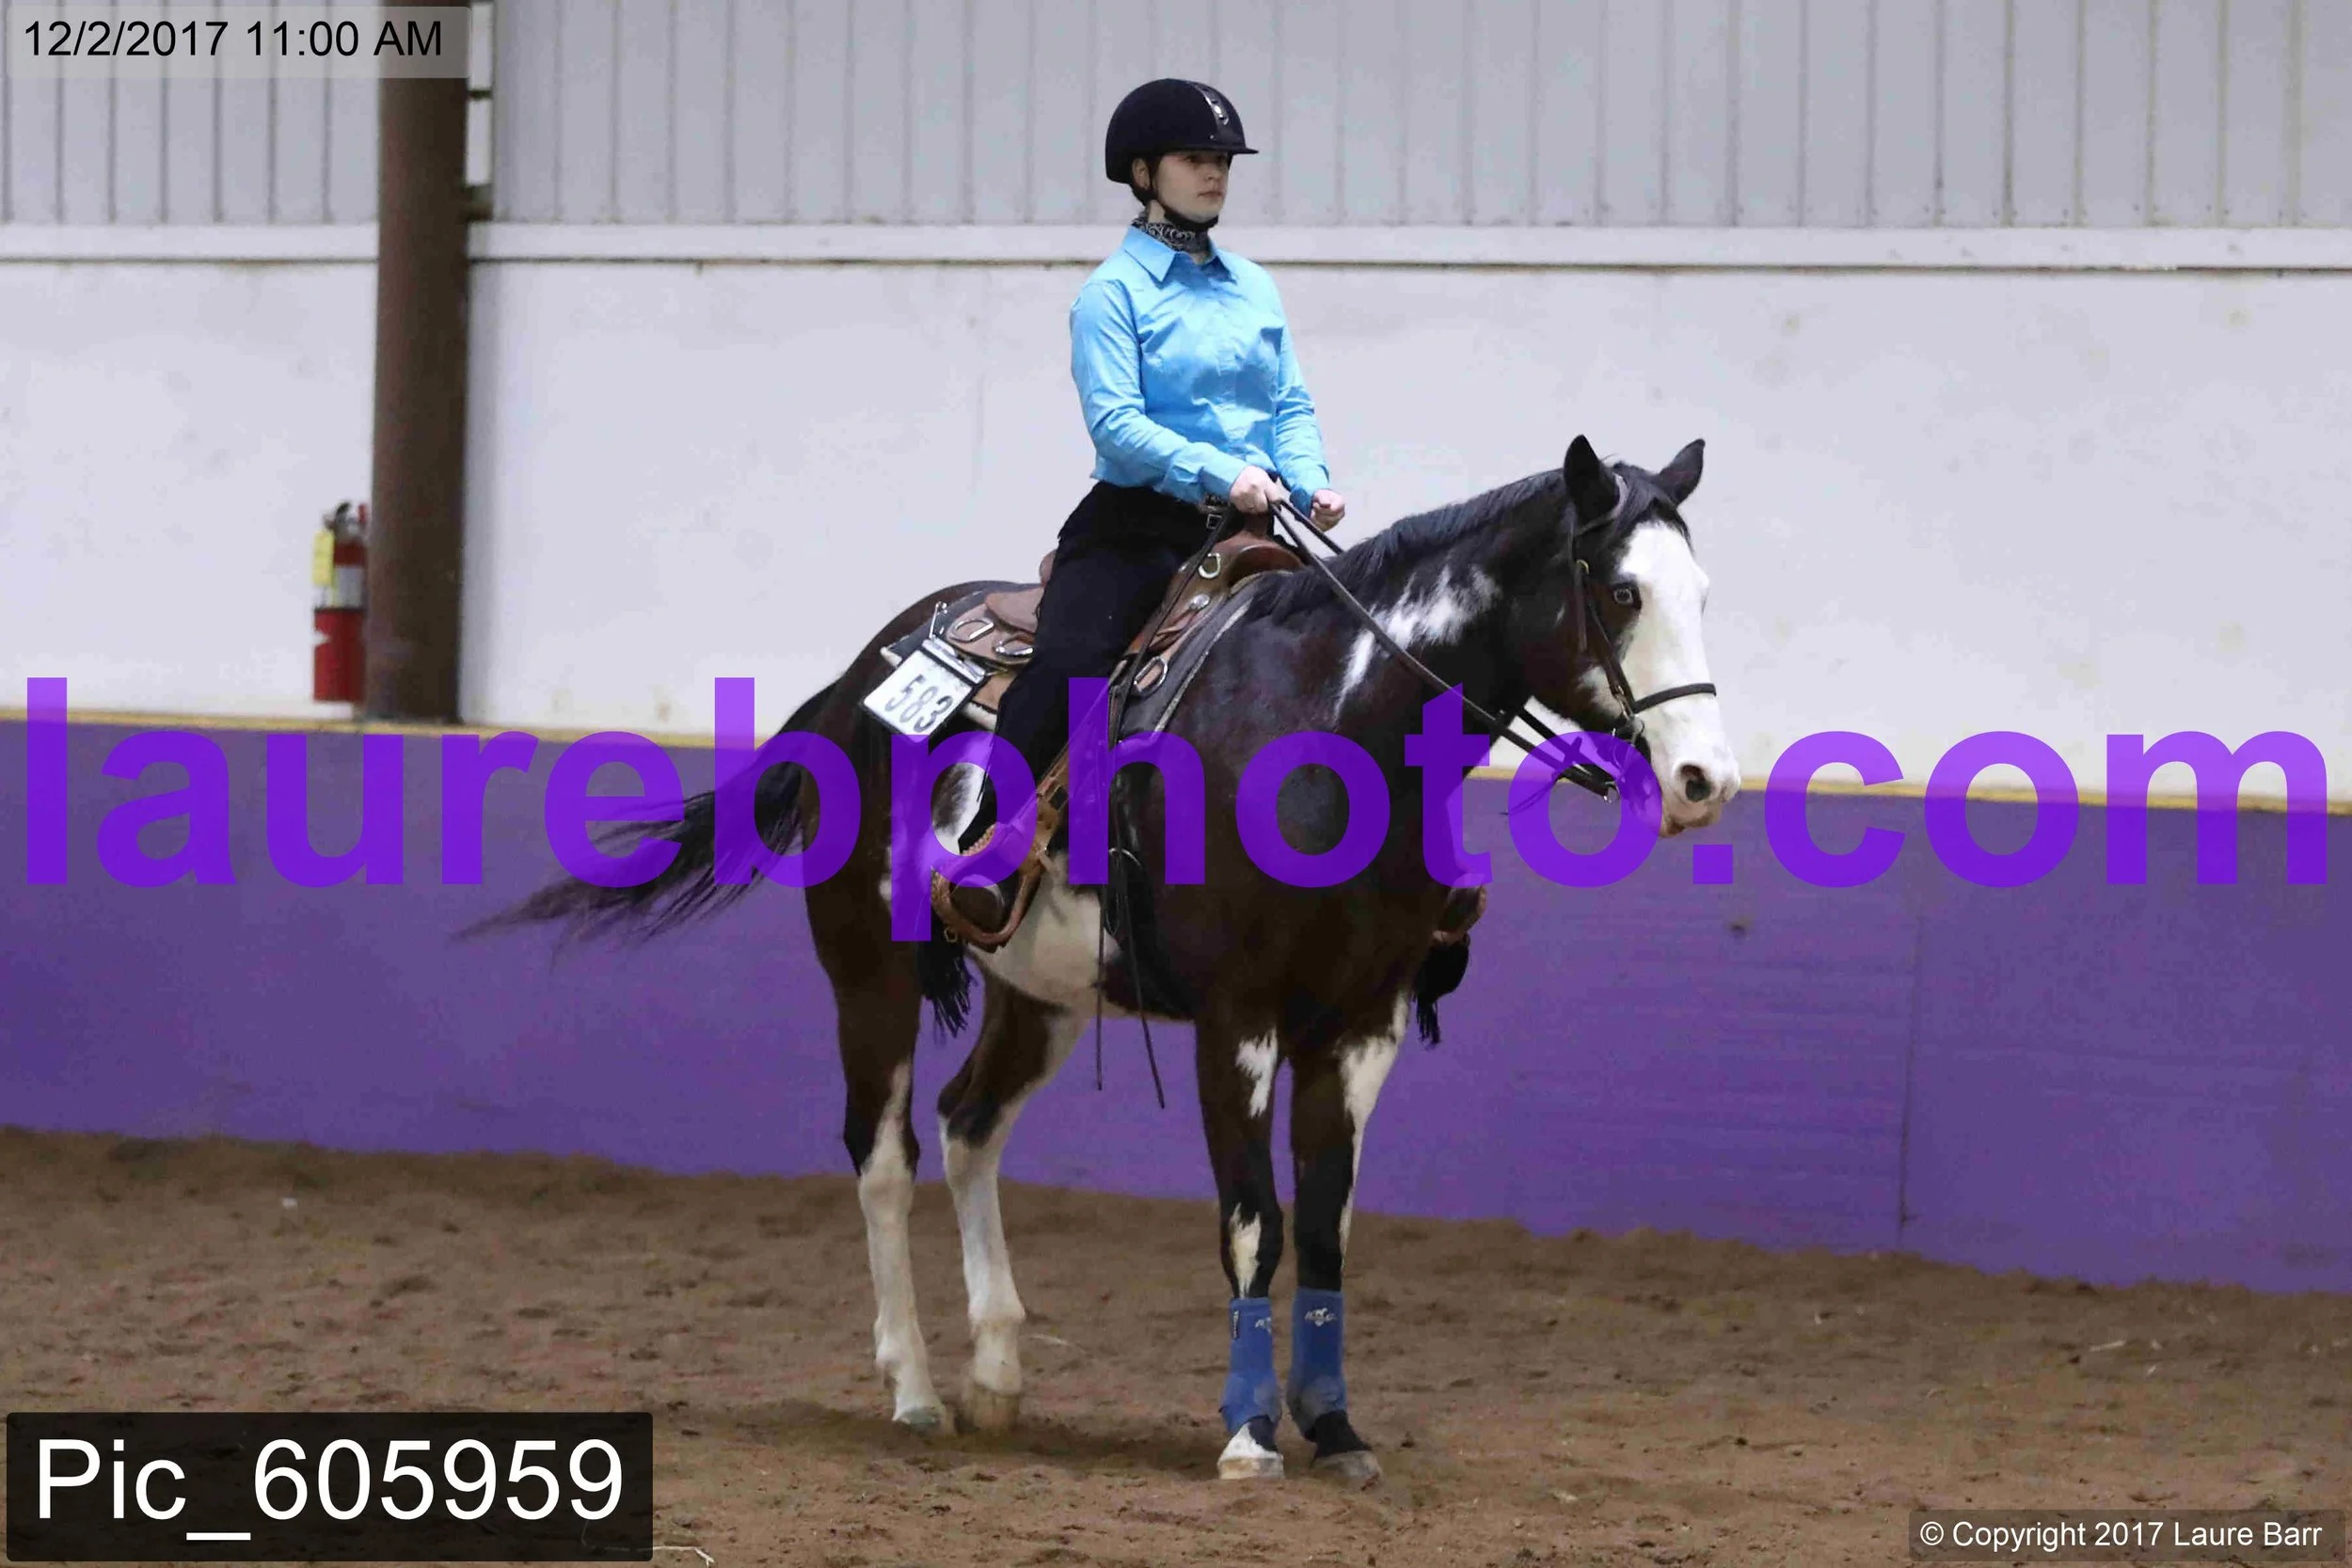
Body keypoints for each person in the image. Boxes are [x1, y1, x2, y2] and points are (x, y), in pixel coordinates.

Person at [937, 78, 1347, 940]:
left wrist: (1309, 482)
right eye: (1195, 158)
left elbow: (1290, 405)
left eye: (1223, 160)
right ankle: (992, 848)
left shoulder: (1254, 287)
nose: (1215, 173)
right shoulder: (1112, 294)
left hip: (1252, 528)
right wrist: (1222, 474)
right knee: (1074, 663)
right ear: (1141, 172)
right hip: (1137, 526)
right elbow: (1118, 428)